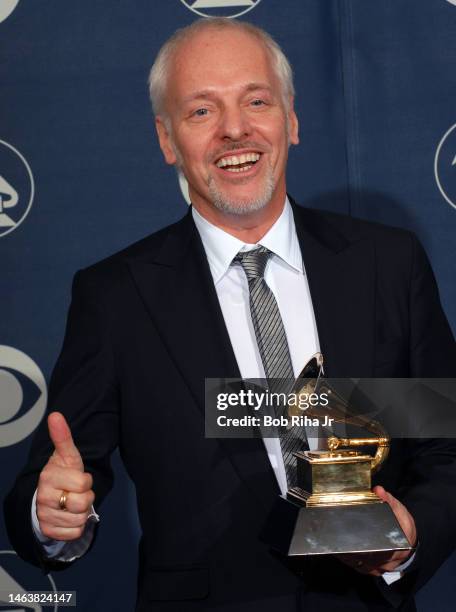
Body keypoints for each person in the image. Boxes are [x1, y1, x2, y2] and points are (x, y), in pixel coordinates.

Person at [4, 17, 456, 612]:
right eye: (201, 112)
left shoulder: (387, 263)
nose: (235, 129)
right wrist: (52, 513)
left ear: (290, 120)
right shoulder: (115, 298)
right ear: (167, 140)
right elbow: (59, 477)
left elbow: (446, 446)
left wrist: (411, 532)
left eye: (256, 101)